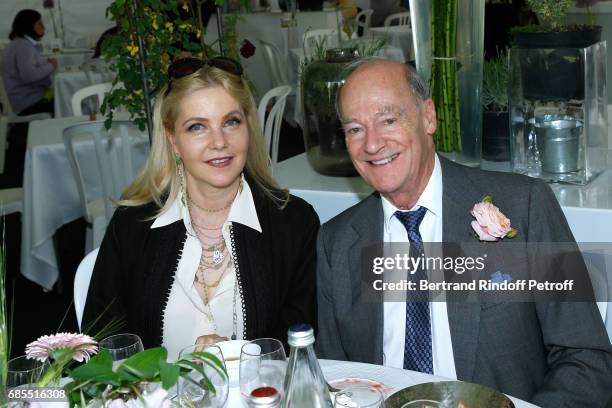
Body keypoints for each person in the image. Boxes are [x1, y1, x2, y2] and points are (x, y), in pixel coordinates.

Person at [315, 59, 612, 406]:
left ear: (428, 116)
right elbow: (333, 378)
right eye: (355, 129)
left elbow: (587, 358)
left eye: (388, 120)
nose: (372, 144)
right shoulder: (336, 243)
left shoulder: (523, 206)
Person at [82, 57, 319, 359]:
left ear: (249, 127)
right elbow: (98, 341)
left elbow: (304, 339)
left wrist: (241, 357)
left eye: (231, 122)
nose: (219, 142)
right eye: (197, 127)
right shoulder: (134, 224)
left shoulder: (294, 223)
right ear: (173, 141)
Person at [2, 9, 56, 115]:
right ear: (28, 26)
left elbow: (28, 71)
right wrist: (51, 65)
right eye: (39, 24)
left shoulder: (18, 43)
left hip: (24, 99)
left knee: (62, 96)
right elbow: (29, 76)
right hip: (29, 103)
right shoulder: (23, 45)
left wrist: (45, 65)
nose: (43, 27)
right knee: (67, 102)